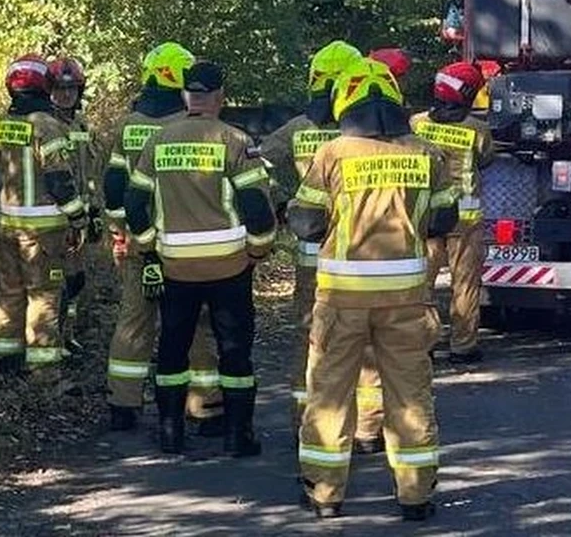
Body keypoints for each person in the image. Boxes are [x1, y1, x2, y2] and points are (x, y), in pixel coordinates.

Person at [288, 57, 458, 521]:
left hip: (343, 297)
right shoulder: (425, 153)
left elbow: (305, 222)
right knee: (409, 394)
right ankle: (416, 496)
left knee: (329, 393)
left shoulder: (332, 154)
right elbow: (445, 219)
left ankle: (325, 495)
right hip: (407, 298)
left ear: (347, 103)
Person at [125, 60, 277, 455]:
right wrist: (258, 249)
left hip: (175, 266)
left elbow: (134, 201)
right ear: (220, 97)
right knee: (234, 349)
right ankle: (237, 436)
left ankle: (171, 433)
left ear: (184, 97)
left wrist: (146, 246)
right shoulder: (234, 140)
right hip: (229, 266)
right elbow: (257, 206)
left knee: (173, 347)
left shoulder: (157, 141)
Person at [262, 41, 386, 453]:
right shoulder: (373, 134)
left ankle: (308, 420)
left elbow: (258, 163)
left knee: (312, 340)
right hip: (364, 253)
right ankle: (368, 429)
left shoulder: (297, 128)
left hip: (313, 255)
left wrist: (282, 203)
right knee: (368, 341)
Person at [102, 43, 225, 435]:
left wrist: (122, 232)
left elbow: (113, 186)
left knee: (133, 322)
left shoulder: (128, 126)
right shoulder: (191, 127)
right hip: (184, 246)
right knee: (196, 325)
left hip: (141, 244)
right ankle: (205, 408)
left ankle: (123, 404)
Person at [0, 54, 88, 375]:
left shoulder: (1, 125)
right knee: (44, 296)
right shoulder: (49, 127)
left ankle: (7, 360)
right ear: (45, 87)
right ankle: (43, 373)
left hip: (8, 227)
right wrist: (79, 218)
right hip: (44, 233)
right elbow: (60, 180)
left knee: (10, 292)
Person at [410, 61, 495, 364]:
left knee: (421, 282)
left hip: (427, 218)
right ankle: (463, 346)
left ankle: (423, 344)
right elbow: (485, 160)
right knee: (465, 284)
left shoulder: (417, 124)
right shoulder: (478, 129)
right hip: (465, 219)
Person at [47, 56, 102, 346]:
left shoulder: (83, 126)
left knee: (77, 280)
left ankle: (68, 334)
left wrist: (94, 212)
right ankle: (52, 337)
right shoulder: (46, 126)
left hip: (79, 219)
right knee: (55, 282)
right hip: (54, 220)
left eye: (71, 89)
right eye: (58, 88)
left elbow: (91, 173)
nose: (65, 94)